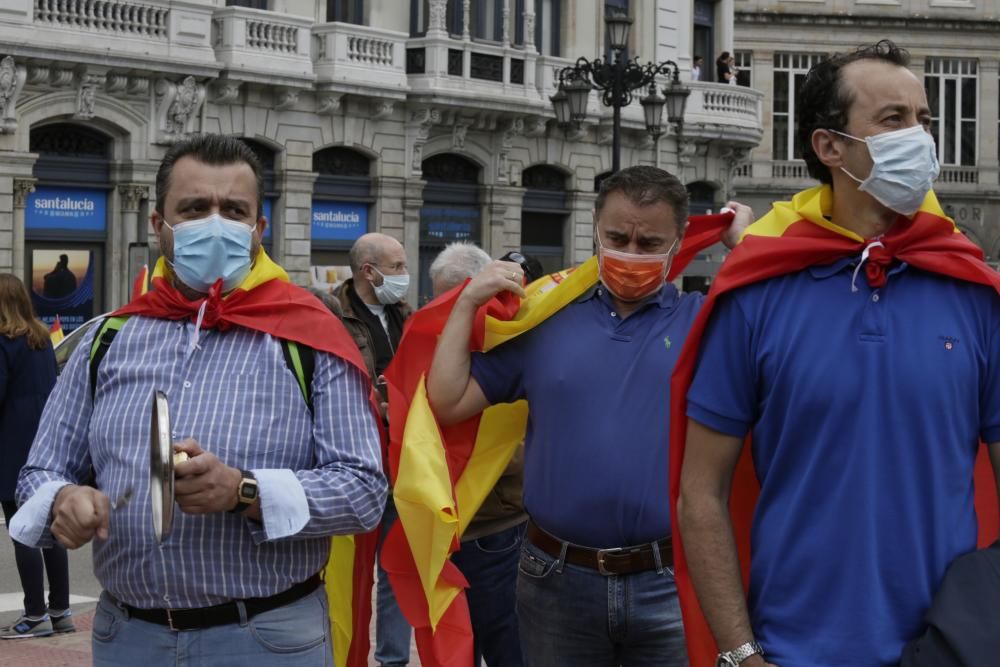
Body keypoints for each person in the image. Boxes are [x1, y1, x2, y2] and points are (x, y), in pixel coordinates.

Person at [676, 40, 1000, 667]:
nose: (922, 138)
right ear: (830, 147)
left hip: (951, 649)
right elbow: (700, 494)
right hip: (791, 650)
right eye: (894, 120)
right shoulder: (754, 296)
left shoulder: (976, 295)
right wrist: (741, 655)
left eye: (924, 119)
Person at [9, 134, 387, 666]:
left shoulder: (309, 338)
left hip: (265, 639)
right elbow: (39, 469)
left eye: (233, 210)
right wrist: (61, 499)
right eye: (193, 208)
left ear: (259, 228)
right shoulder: (108, 339)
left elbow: (365, 491)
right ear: (157, 224)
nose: (215, 222)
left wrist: (245, 490)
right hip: (128, 638)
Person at [426, 166, 750, 666]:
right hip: (554, 579)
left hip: (668, 579)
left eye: (649, 243)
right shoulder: (545, 317)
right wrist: (468, 301)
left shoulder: (702, 322)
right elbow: (447, 401)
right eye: (618, 237)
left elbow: (785, 340)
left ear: (679, 241)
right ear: (595, 227)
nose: (631, 253)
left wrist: (745, 248)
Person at [429, 241, 528, 666]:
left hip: (493, 528)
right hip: (455, 527)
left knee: (504, 644)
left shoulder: (504, 343)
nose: (437, 307)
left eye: (443, 297)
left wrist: (470, 460)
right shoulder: (446, 342)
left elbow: (523, 442)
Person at [335, 232, 413, 667]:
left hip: (403, 462)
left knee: (397, 569)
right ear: (370, 271)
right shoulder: (332, 314)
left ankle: (393, 661)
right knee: (351, 572)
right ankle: (346, 656)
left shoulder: (406, 313)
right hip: (357, 459)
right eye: (398, 267)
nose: (404, 275)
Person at [0, 274, 74, 640]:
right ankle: (60, 609)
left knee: (22, 529)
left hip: (10, 445)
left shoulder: (4, 341)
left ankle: (33, 614)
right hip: (45, 442)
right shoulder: (42, 339)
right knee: (51, 527)